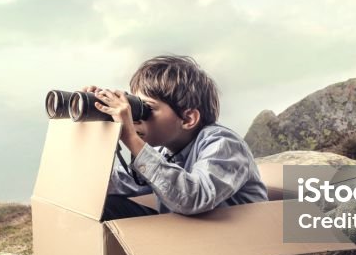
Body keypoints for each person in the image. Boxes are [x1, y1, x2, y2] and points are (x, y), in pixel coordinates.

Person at [83, 54, 268, 221]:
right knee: (103, 205)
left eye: (147, 108)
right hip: (188, 236)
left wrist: (131, 138)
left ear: (188, 118)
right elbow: (112, 184)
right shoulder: (164, 151)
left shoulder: (224, 143)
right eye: (134, 106)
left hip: (229, 244)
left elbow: (193, 197)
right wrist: (95, 120)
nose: (135, 118)